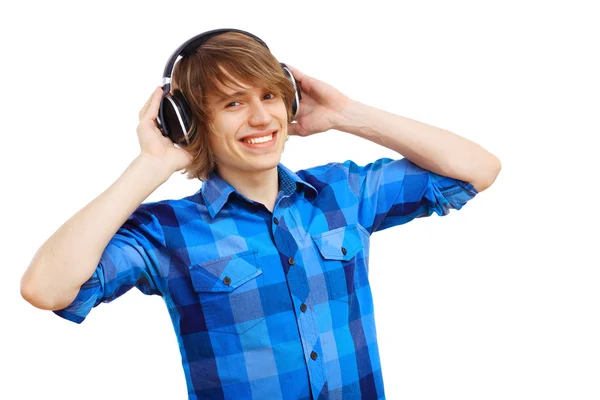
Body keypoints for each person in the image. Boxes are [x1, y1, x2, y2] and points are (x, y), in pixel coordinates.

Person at [20, 29, 501, 400]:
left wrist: (346, 114)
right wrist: (152, 164)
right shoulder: (167, 232)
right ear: (188, 123)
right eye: (233, 103)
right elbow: (45, 288)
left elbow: (478, 169)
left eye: (269, 96)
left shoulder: (344, 192)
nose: (261, 118)